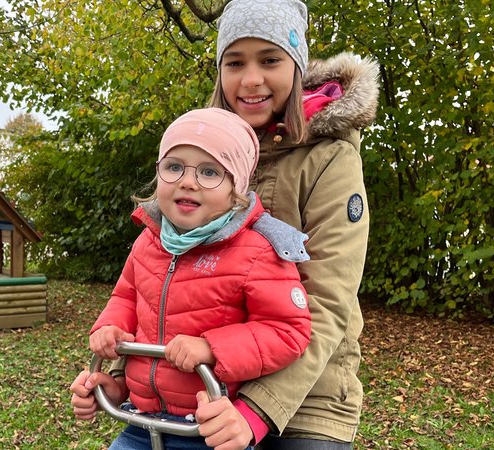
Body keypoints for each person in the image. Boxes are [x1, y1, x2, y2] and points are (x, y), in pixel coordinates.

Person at [194, 0, 381, 449]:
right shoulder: (203, 155)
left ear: (297, 68)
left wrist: (257, 412)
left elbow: (329, 299)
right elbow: (162, 264)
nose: (251, 79)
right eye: (235, 62)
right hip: (211, 383)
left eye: (270, 60)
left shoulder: (330, 159)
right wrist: (122, 371)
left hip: (306, 398)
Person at [70, 107, 313, 450]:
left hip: (210, 426)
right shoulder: (149, 241)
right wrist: (110, 334)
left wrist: (212, 347)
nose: (187, 181)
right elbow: (126, 297)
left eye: (210, 172)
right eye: (174, 167)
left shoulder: (258, 249)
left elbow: (288, 329)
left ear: (236, 188)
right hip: (141, 422)